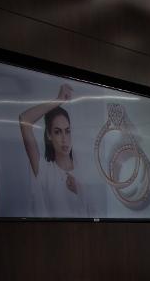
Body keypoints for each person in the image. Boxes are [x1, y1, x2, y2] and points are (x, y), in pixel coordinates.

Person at [19, 84, 96, 218]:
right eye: (57, 132)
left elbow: (96, 214)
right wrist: (58, 100)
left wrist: (79, 190)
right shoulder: (44, 171)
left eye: (67, 131)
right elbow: (24, 119)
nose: (64, 139)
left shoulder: (83, 167)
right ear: (49, 135)